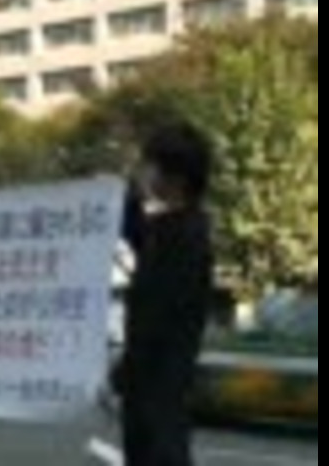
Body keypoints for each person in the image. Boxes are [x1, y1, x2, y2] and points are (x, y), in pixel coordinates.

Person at [112, 122, 216, 466]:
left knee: (159, 453)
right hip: (153, 385)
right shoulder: (172, 228)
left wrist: (126, 368)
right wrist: (122, 193)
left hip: (159, 383)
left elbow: (154, 318)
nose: (145, 173)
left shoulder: (185, 237)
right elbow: (132, 227)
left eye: (150, 165)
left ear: (176, 177)